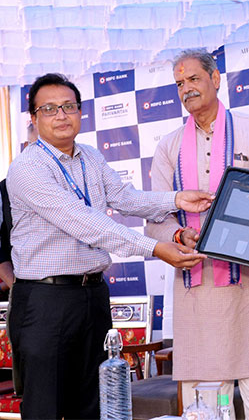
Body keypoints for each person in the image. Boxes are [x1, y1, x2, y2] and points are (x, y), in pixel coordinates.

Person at [6, 72, 212, 419]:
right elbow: (83, 221)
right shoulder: (27, 168)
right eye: (50, 108)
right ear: (34, 117)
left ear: (81, 112)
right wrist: (155, 248)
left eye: (69, 106)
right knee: (45, 406)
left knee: (94, 403)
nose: (61, 115)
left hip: (92, 297)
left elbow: (124, 197)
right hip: (45, 302)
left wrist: (176, 199)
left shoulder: (89, 156)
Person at [146, 49, 249, 419]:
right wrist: (179, 235)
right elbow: (154, 218)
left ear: (215, 78)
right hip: (199, 289)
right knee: (205, 405)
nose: (186, 89)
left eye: (194, 79)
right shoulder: (168, 146)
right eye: (179, 84)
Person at [0, 122, 38, 294]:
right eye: (38, 145)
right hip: (25, 296)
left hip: (73, 293)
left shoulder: (72, 187)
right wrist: (17, 288)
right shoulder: (3, 190)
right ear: (25, 147)